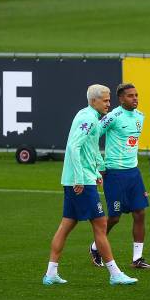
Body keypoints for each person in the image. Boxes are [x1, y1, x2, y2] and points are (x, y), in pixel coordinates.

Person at [43, 84, 138, 286]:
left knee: (67, 224)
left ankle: (51, 273)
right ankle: (115, 273)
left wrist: (97, 170)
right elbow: (73, 146)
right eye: (105, 100)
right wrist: (80, 177)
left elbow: (89, 148)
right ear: (93, 100)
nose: (108, 104)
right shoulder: (88, 119)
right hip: (80, 181)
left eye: (109, 100)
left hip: (78, 178)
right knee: (101, 224)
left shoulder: (89, 116)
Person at [89, 83, 150, 269]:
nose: (135, 98)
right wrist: (98, 163)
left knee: (140, 213)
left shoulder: (140, 116)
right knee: (115, 217)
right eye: (131, 96)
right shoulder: (113, 117)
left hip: (133, 172)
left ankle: (137, 258)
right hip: (114, 173)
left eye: (137, 95)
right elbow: (94, 134)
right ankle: (95, 246)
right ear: (121, 99)